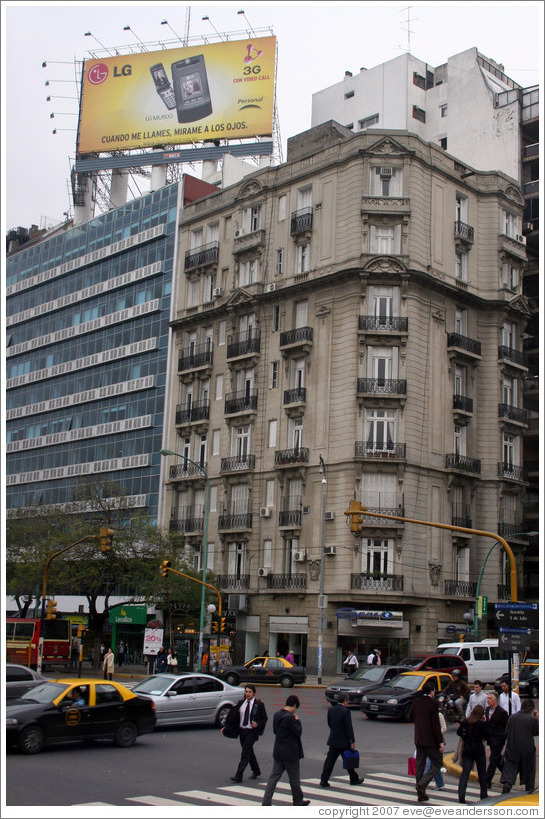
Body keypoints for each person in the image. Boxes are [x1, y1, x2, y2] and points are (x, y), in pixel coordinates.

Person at [261, 695, 310, 806]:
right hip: (291, 754)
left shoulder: (277, 715)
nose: (295, 711)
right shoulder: (291, 718)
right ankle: (297, 801)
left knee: (273, 778)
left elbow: (275, 731)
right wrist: (298, 721)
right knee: (294, 780)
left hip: (278, 752)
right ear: (294, 705)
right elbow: (298, 732)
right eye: (296, 708)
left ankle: (266, 802)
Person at [409, 681, 444, 802]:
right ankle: (422, 785)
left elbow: (410, 717)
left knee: (419, 764)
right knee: (438, 762)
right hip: (431, 741)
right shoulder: (433, 704)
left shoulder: (416, 702)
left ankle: (421, 794)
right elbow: (436, 724)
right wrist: (441, 741)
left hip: (419, 739)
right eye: (434, 691)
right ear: (432, 691)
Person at [319, 694, 364, 788]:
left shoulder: (331, 710)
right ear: (345, 701)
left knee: (329, 762)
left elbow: (330, 723)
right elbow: (349, 728)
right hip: (344, 741)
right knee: (348, 760)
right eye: (347, 701)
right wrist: (352, 741)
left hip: (334, 740)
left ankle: (324, 780)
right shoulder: (346, 711)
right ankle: (354, 779)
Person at [228, 683, 268, 783]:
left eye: (250, 692)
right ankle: (256, 770)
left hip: (252, 732)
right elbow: (233, 717)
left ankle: (239, 775)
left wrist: (257, 724)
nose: (248, 694)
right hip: (242, 731)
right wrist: (226, 727)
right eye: (246, 692)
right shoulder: (241, 703)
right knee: (249, 751)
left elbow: (264, 718)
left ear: (254, 693)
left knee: (245, 752)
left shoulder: (258, 705)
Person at [500, 699, 539, 794]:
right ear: (531, 710)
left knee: (509, 777)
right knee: (529, 778)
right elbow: (536, 732)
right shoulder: (531, 719)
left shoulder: (512, 717)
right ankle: (528, 796)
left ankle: (504, 793)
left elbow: (506, 733)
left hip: (512, 751)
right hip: (527, 753)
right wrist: (536, 719)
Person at [457, 704, 488, 803]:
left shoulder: (465, 721)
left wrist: (465, 738)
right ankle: (483, 794)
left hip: (467, 749)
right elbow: (486, 735)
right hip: (478, 750)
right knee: (482, 773)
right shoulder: (480, 724)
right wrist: (485, 723)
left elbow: (459, 732)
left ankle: (461, 795)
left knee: (465, 772)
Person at [484, 690, 508, 788]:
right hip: (490, 738)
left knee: (493, 759)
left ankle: (487, 780)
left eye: (490, 699)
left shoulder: (502, 712)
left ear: (495, 700)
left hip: (498, 739)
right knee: (497, 758)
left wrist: (503, 738)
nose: (488, 701)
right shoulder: (486, 710)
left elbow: (505, 727)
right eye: (487, 699)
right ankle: (507, 774)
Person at [424, 708, 447, 790]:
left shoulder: (439, 715)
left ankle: (423, 782)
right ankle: (440, 783)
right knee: (434, 763)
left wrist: (435, 732)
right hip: (428, 742)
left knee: (430, 764)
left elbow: (444, 728)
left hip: (437, 742)